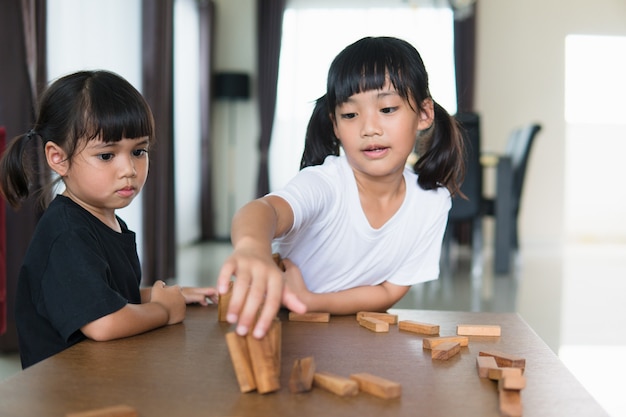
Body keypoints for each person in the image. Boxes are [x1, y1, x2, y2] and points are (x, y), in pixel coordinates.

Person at [217, 36, 465, 339]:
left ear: (424, 114)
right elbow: (264, 209)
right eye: (350, 114)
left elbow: (389, 290)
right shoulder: (326, 183)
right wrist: (252, 248)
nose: (369, 128)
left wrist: (311, 302)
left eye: (387, 109)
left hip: (351, 335)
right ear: (335, 125)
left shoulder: (433, 202)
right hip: (273, 330)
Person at [0, 70, 218, 368]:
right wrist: (164, 311)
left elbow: (107, 295)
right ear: (58, 158)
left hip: (102, 374)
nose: (128, 169)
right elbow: (103, 322)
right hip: (67, 396)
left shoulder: (106, 220)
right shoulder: (66, 234)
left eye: (138, 151)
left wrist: (168, 295)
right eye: (106, 156)